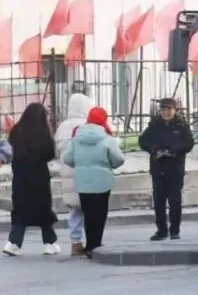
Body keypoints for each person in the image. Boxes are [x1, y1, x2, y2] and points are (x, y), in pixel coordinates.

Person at [62, 107, 125, 258]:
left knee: (88, 215)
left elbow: (67, 158)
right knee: (100, 214)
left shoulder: (77, 138)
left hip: (82, 183)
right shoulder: (106, 138)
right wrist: (109, 165)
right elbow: (119, 159)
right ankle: (95, 245)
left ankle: (90, 246)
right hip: (103, 182)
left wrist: (81, 166)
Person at [3, 103, 60, 256]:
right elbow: (50, 153)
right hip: (39, 178)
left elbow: (11, 145)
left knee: (20, 211)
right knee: (43, 211)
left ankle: (14, 243)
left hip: (20, 178)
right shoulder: (43, 132)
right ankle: (49, 243)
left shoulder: (17, 131)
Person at [138, 98, 194, 241]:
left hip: (175, 167)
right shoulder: (154, 124)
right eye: (163, 109)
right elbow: (143, 141)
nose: (166, 112)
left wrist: (173, 150)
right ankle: (161, 230)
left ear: (174, 110)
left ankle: (174, 230)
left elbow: (188, 143)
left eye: (169, 109)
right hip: (158, 167)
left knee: (175, 201)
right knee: (159, 201)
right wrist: (154, 149)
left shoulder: (181, 125)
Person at [55, 93, 93, 257]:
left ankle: (75, 243)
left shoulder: (62, 127)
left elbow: (57, 151)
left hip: (66, 174)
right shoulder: (86, 126)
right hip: (84, 173)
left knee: (74, 210)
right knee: (89, 209)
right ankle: (91, 242)